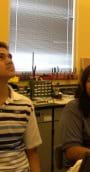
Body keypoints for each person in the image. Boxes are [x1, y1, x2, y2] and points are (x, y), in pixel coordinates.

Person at [0, 41, 42, 171]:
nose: (9, 61)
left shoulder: (25, 105)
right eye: (1, 57)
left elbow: (32, 153)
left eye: (10, 57)